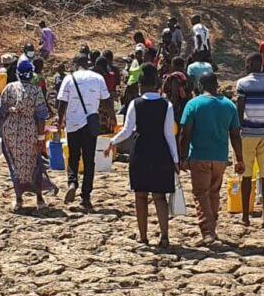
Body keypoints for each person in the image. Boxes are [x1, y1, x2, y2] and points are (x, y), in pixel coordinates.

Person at [108, 64, 178, 247]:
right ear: (157, 84)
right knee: (159, 196)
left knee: (140, 196)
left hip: (141, 151)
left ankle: (143, 236)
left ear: (140, 85)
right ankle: (164, 236)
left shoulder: (135, 104)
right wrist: (175, 159)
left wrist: (112, 142)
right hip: (161, 151)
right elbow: (169, 134)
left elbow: (127, 130)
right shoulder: (166, 105)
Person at [178, 72, 242, 245]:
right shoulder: (229, 105)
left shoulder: (193, 104)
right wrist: (240, 159)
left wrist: (182, 156)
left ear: (200, 86)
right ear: (217, 85)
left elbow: (185, 133)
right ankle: (212, 226)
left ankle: (208, 231)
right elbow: (235, 135)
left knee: (200, 194)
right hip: (220, 157)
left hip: (199, 156)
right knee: (214, 193)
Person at [0, 60, 56, 212]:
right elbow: (40, 117)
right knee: (34, 164)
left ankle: (18, 199)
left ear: (18, 73)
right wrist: (40, 137)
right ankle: (39, 198)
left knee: (15, 165)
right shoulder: (36, 91)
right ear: (31, 74)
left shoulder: (9, 88)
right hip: (29, 131)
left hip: (10, 131)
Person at [57, 54, 116, 210]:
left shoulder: (69, 79)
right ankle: (85, 197)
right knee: (89, 160)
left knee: (73, 157)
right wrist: (112, 118)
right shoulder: (97, 78)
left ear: (75, 64)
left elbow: (62, 103)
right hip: (90, 125)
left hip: (73, 124)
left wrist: (59, 121)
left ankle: (72, 182)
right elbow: (106, 101)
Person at [236, 52, 264, 229]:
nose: (246, 66)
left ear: (251, 64)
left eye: (247, 63)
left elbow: (240, 109)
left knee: (246, 176)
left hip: (247, 134)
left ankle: (245, 216)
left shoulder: (242, 83)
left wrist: (239, 131)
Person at [93, 56, 118, 134]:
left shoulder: (98, 78)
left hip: (100, 103)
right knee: (109, 124)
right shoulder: (111, 75)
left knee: (100, 125)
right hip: (109, 101)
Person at [162, 56, 190, 124]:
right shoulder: (186, 76)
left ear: (173, 65)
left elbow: (175, 95)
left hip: (177, 107)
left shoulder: (175, 77)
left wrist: (169, 108)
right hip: (186, 104)